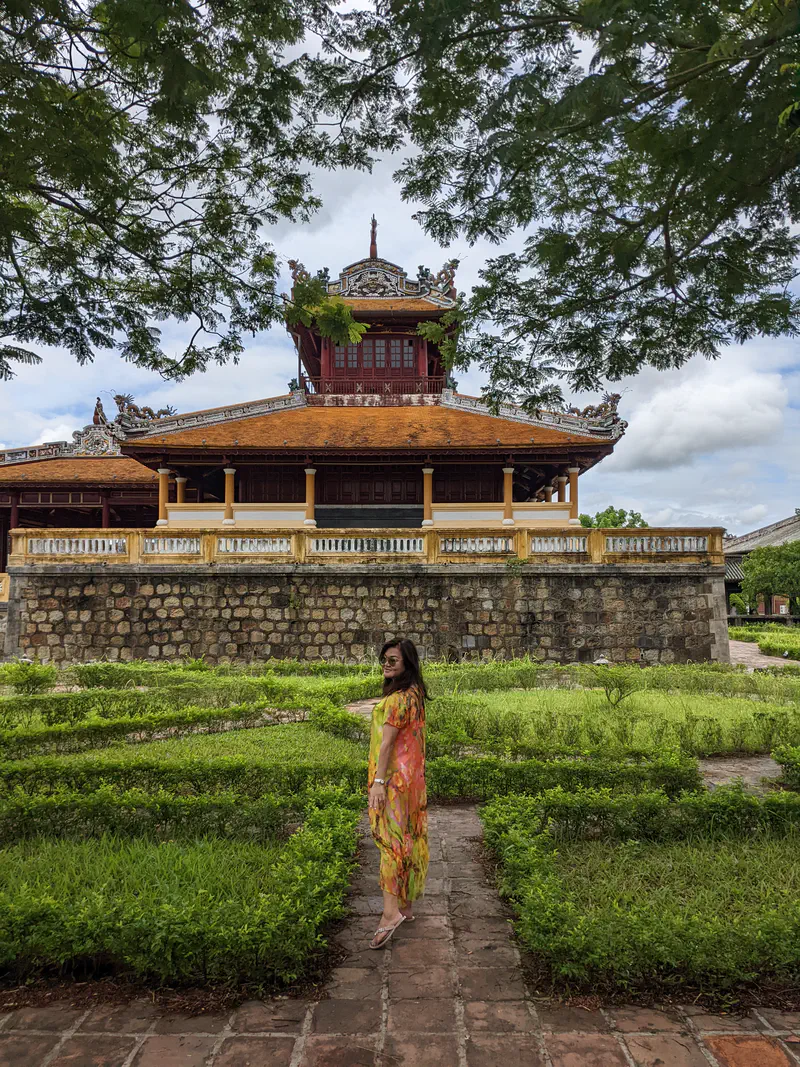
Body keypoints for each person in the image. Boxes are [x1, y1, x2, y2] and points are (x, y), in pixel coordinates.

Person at [367, 637, 429, 950]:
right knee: (408, 837)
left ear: (407, 664)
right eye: (384, 659)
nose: (386, 665)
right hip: (412, 782)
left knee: (389, 843)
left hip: (392, 782)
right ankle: (405, 905)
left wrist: (378, 783)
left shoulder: (395, 701)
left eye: (393, 660)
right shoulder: (415, 694)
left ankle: (390, 914)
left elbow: (387, 744)